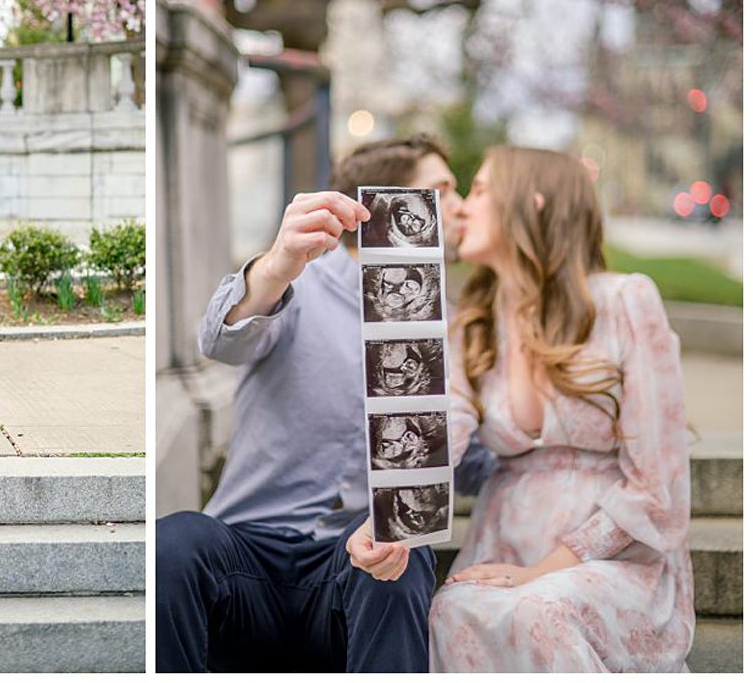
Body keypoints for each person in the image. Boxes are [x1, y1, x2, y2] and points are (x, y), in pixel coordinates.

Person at [155, 136, 459, 672]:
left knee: (402, 556)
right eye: (442, 190)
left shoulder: (445, 327)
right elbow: (221, 341)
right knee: (173, 543)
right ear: (387, 200)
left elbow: (460, 452)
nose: (456, 207)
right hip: (246, 556)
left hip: (348, 569)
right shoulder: (299, 282)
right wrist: (276, 265)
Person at [418, 146, 692, 671]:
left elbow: (661, 486)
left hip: (613, 560)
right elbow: (441, 437)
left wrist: (546, 568)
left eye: (478, 191)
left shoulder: (626, 303)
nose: (461, 208)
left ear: (534, 205)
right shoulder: (467, 327)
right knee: (452, 610)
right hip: (505, 543)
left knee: (539, 609)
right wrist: (386, 520)